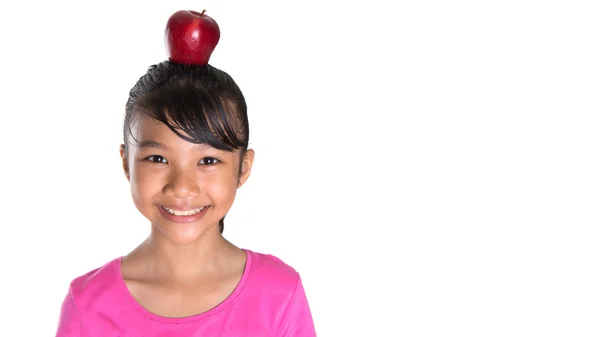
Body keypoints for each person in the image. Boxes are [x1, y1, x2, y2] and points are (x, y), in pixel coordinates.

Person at [55, 58, 316, 336]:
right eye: (157, 158)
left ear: (244, 167)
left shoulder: (279, 295)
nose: (182, 188)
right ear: (126, 163)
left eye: (207, 161)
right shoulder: (87, 305)